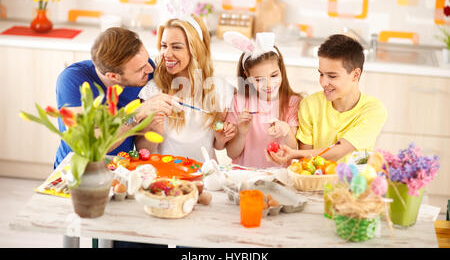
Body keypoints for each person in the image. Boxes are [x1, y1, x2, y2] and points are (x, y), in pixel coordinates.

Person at [54, 27, 175, 169]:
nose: (150, 69)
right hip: (77, 171)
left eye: (147, 60)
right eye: (141, 68)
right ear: (113, 76)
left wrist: (153, 129)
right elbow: (91, 147)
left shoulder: (144, 72)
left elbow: (141, 144)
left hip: (120, 169)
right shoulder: (73, 80)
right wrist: (136, 114)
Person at [267, 34, 387, 166]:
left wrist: (294, 154)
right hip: (315, 184)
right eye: (321, 74)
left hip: (354, 184)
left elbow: (341, 150)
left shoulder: (373, 110)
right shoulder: (310, 105)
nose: (323, 82)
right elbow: (307, 163)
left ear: (355, 75)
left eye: (332, 76)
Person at [136, 10, 236, 162]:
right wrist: (155, 133)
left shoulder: (220, 89)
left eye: (176, 47)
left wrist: (221, 139)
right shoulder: (153, 91)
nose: (167, 54)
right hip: (164, 175)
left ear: (196, 50)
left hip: (203, 176)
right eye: (164, 45)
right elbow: (143, 151)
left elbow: (217, 144)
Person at [223, 31, 302, 169]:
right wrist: (241, 133)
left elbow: (293, 150)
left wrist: (286, 131)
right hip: (244, 176)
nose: (269, 85)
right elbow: (231, 153)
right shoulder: (239, 101)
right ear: (247, 76)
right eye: (259, 79)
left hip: (278, 178)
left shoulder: (292, 103)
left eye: (274, 75)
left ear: (281, 69)